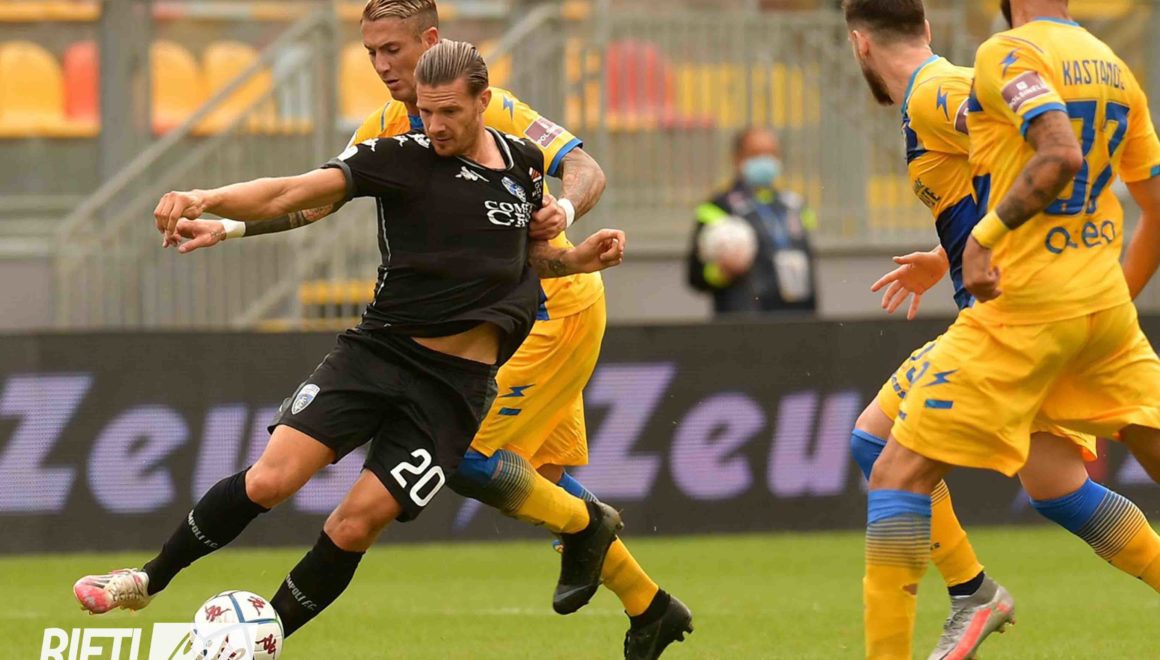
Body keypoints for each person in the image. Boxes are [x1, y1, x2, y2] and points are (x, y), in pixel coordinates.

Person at [166, 3, 693, 656]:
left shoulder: (492, 110)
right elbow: (314, 199)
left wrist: (562, 208)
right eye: (371, 53)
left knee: (467, 458)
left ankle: (588, 528)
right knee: (535, 478)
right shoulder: (386, 128)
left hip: (552, 307)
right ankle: (649, 606)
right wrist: (230, 226)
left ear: (431, 41)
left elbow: (587, 170)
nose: (382, 66)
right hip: (493, 319)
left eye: (393, 49)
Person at [73, 40, 630, 643]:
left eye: (449, 111)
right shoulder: (400, 156)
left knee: (353, 526)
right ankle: (147, 579)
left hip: (453, 392)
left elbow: (529, 260)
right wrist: (208, 199)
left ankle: (260, 642)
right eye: (426, 111)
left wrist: (578, 258)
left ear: (483, 102)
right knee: (269, 481)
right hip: (378, 354)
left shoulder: (524, 166)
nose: (435, 125)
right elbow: (290, 191)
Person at [856, 0, 1160, 657]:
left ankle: (971, 590)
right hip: (1087, 300)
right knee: (1057, 487)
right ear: (925, 27)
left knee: (879, 451)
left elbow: (1044, 146)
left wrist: (982, 242)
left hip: (1017, 311)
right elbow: (1008, 159)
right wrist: (944, 251)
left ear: (860, 45)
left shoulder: (942, 87)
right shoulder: (1108, 64)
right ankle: (973, 591)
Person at [688, 126, 818, 316]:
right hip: (743, 321)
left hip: (798, 317)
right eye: (756, 154)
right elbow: (695, 276)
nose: (765, 161)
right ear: (737, 158)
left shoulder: (795, 206)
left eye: (771, 154)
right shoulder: (718, 207)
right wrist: (723, 272)